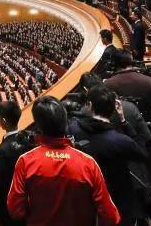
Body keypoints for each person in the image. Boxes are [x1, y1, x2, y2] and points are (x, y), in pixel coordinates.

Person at [7, 96, 120, 226]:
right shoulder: (89, 163)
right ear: (65, 122)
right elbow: (111, 216)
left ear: (39, 127)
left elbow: (16, 210)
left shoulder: (25, 161)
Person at [70, 86, 147, 226]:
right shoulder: (120, 141)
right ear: (113, 109)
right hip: (117, 200)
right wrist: (123, 121)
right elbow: (142, 153)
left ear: (90, 105)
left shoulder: (73, 129)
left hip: (87, 199)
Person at [0, 100, 33, 226]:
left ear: (3, 121)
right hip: (25, 204)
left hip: (8, 209)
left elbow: (0, 185)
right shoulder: (26, 140)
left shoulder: (4, 151)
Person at [104, 52, 151, 122]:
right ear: (131, 62)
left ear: (113, 65)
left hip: (120, 129)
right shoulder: (150, 81)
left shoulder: (107, 85)